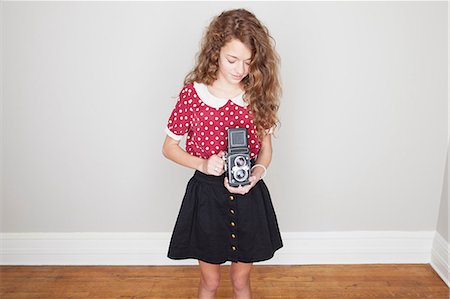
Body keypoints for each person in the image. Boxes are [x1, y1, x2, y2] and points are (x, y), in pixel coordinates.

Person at [162, 8, 283, 299]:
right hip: (207, 197)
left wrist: (257, 173)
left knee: (241, 281)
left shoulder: (256, 94)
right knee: (211, 282)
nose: (240, 69)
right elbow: (169, 148)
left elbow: (265, 150)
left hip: (249, 194)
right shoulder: (193, 94)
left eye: (248, 62)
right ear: (216, 51)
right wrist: (203, 164)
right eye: (232, 59)